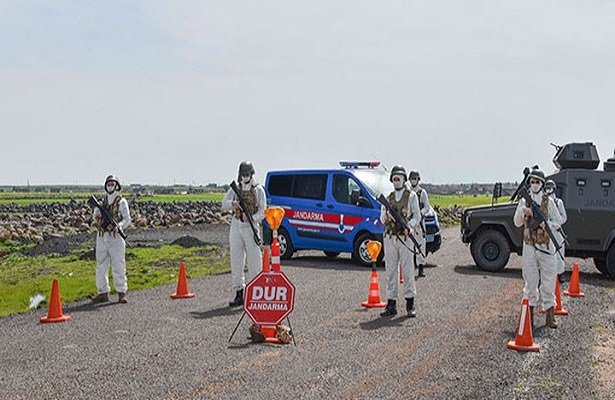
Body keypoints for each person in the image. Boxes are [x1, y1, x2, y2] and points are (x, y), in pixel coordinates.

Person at [513, 168, 562, 328]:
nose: (534, 184)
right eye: (532, 182)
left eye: (537, 182)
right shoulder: (524, 201)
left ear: (542, 183)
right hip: (529, 247)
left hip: (546, 247)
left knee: (548, 281)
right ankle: (529, 314)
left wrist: (547, 224)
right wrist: (524, 212)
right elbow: (517, 222)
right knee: (530, 280)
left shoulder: (549, 201)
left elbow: (559, 220)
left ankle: (550, 314)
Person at [222, 161, 266, 307]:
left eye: (247, 174)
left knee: (254, 261)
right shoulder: (236, 188)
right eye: (243, 174)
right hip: (236, 224)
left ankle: (256, 292)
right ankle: (239, 292)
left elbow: (263, 212)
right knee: (236, 259)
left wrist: (252, 218)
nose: (245, 177)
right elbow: (224, 203)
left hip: (250, 226)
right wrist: (233, 204)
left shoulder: (258, 189)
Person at [380, 165, 421, 318]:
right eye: (394, 178)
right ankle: (391, 303)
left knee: (408, 270)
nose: (396, 181)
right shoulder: (388, 197)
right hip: (390, 237)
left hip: (405, 238)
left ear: (404, 179)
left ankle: (410, 303)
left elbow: (417, 216)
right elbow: (381, 218)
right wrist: (387, 216)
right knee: (391, 271)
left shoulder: (411, 196)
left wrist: (409, 226)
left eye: (399, 178)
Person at [91, 175, 132, 304]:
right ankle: (102, 292)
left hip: (116, 237)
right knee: (101, 265)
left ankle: (121, 292)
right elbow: (95, 216)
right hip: (102, 236)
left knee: (118, 264)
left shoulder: (122, 201)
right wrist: (97, 215)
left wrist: (119, 225)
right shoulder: (101, 202)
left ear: (117, 186)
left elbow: (127, 219)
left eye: (112, 184)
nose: (110, 186)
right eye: (108, 184)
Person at [408, 170, 430, 278]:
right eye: (412, 179)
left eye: (415, 179)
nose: (413, 181)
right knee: (409, 244)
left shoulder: (422, 193)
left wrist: (420, 213)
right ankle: (411, 267)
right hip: (410, 222)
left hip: (420, 223)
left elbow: (427, 207)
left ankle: (421, 267)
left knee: (421, 244)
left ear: (418, 180)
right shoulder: (407, 192)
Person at [545, 179, 567, 283]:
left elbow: (564, 217)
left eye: (550, 188)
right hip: (546, 232)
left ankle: (560, 274)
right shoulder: (544, 202)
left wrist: (554, 225)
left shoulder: (559, 202)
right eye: (547, 188)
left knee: (559, 254)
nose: (548, 190)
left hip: (556, 231)